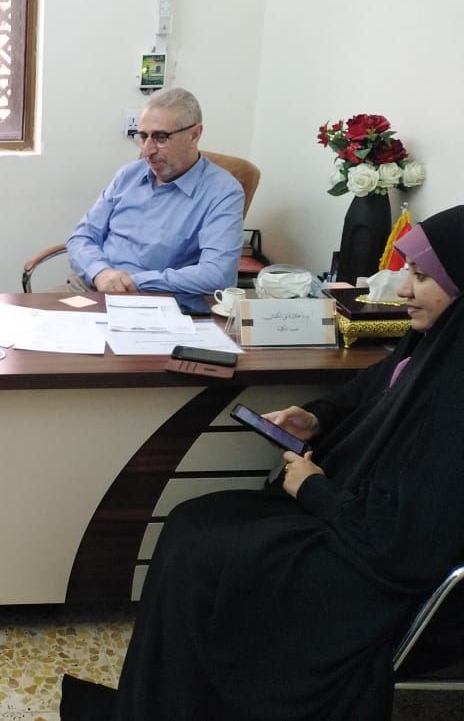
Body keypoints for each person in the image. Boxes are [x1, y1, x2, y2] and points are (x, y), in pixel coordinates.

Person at [64, 206, 464, 719]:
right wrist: (316, 418)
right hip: (349, 514)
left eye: (422, 277)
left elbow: (410, 545)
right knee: (190, 523)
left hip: (374, 569)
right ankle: (163, 704)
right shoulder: (434, 340)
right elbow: (372, 387)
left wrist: (315, 489)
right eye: (407, 271)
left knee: (205, 555)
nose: (403, 290)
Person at [65, 88, 244, 294]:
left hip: (155, 299)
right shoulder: (128, 175)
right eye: (143, 136)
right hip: (91, 286)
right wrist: (101, 272)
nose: (147, 150)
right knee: (39, 312)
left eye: (160, 137)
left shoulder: (223, 192)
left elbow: (217, 274)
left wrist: (131, 282)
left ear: (194, 135)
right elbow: (82, 237)